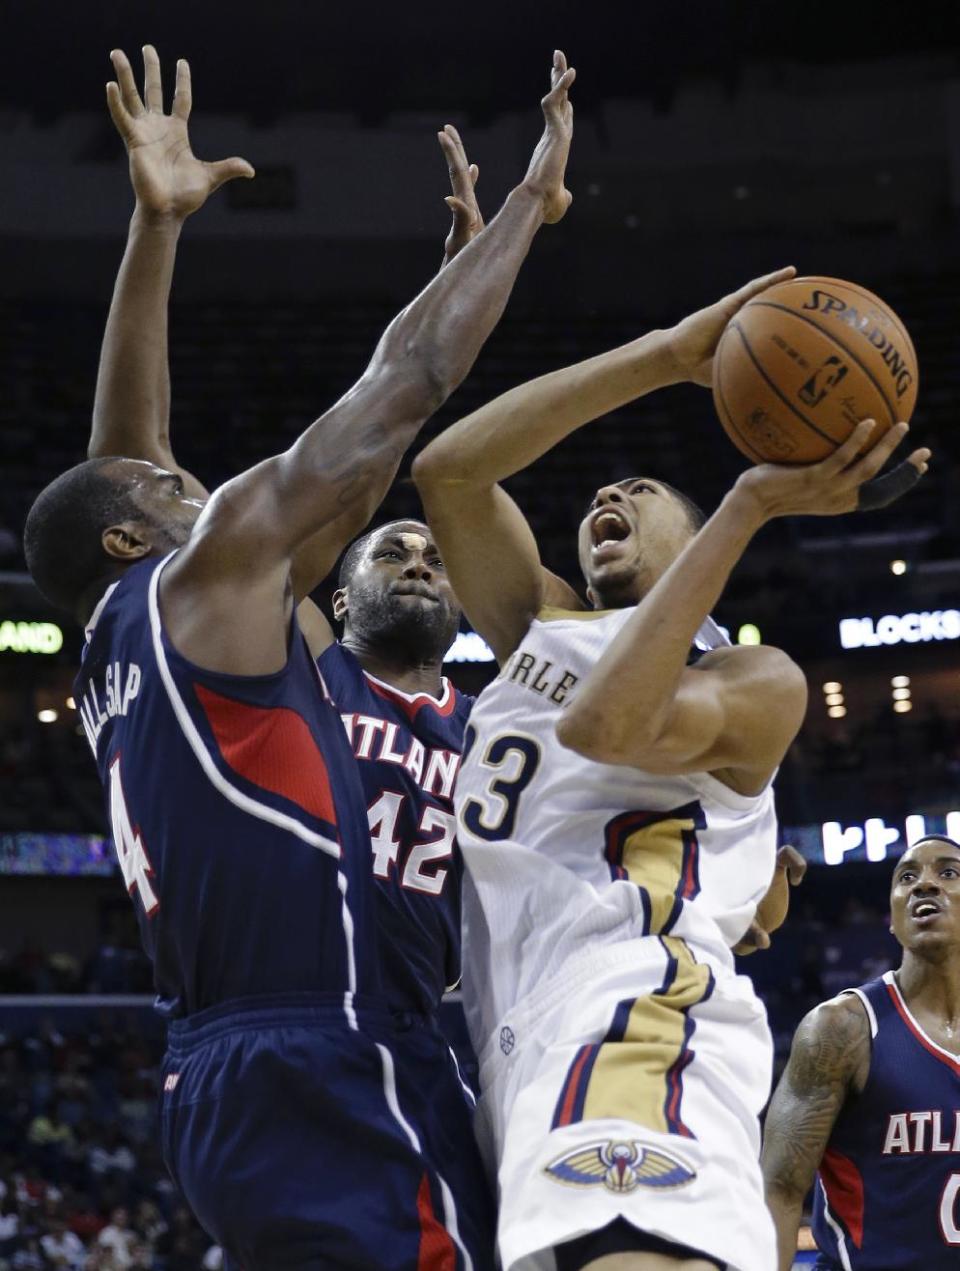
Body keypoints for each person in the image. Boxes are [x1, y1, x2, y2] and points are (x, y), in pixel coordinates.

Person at [24, 43, 575, 1270]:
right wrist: (526, 214)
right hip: (327, 1044)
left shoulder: (124, 635)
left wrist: (156, 226)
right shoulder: (201, 578)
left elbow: (120, 453)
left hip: (221, 1073)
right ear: (136, 532)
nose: (197, 479)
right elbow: (404, 386)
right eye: (177, 486)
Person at [413, 285, 929, 1270]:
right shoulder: (545, 626)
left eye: (642, 493)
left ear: (701, 548)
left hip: (636, 1011)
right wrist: (663, 352)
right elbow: (449, 470)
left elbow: (608, 723)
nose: (609, 497)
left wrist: (747, 501)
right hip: (528, 1030)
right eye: (602, 493)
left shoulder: (750, 679)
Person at [763, 834, 960, 1270]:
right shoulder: (841, 1029)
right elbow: (778, 1190)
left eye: (948, 872)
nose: (923, 885)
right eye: (906, 877)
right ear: (891, 918)